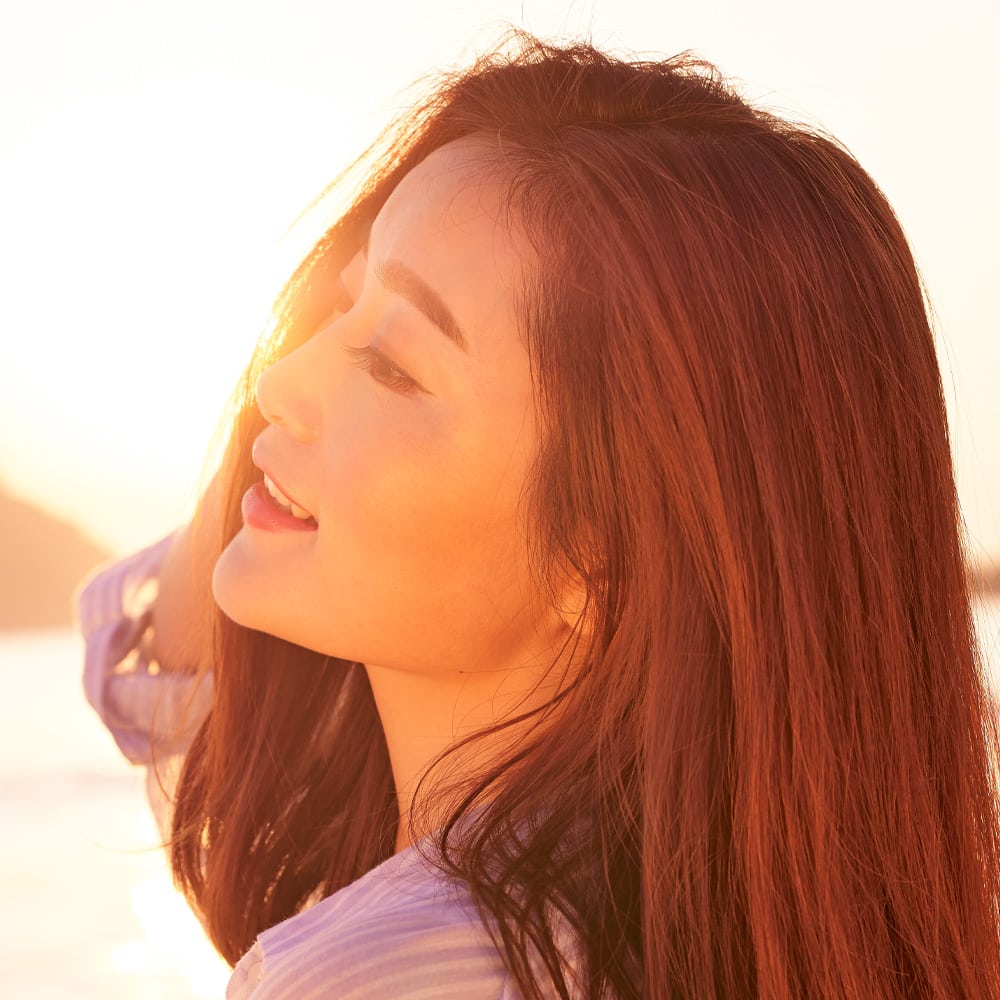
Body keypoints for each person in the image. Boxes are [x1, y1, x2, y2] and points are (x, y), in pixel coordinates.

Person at [77, 32, 1000, 999]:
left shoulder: (382, 974)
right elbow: (158, 673)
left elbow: (158, 669)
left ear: (597, 561)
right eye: (333, 311)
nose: (280, 379)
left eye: (392, 364)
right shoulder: (682, 904)